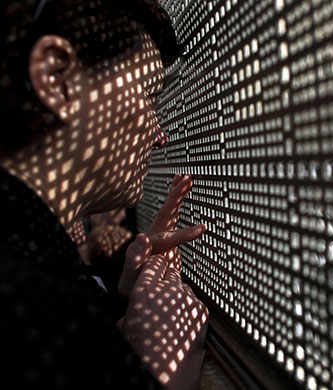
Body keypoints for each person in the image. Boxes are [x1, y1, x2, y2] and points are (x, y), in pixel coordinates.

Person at [0, 1, 209, 389]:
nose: (160, 135)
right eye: (149, 96)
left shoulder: (37, 257)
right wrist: (168, 373)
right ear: (58, 79)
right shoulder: (24, 295)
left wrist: (120, 303)